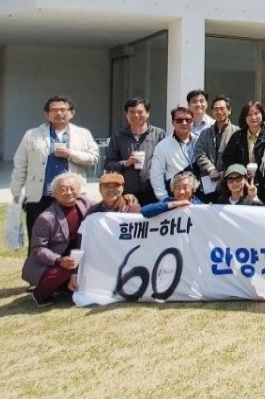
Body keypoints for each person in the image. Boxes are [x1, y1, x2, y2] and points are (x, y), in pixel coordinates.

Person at [11, 95, 99, 234]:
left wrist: (71, 154)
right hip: (40, 195)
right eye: (54, 110)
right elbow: (20, 164)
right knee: (38, 236)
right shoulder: (32, 135)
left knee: (72, 236)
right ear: (47, 114)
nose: (59, 113)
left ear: (72, 112)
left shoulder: (83, 134)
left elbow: (94, 158)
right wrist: (16, 191)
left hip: (71, 195)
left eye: (63, 109)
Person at [22, 172, 91, 306]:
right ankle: (40, 294)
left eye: (72, 188)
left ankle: (62, 286)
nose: (69, 192)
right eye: (63, 189)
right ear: (54, 193)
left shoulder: (84, 203)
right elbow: (38, 249)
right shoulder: (46, 218)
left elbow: (106, 206)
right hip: (50, 263)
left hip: (75, 259)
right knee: (65, 270)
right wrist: (59, 260)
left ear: (79, 190)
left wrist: (129, 199)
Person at [104, 97, 167, 208]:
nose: (136, 115)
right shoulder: (118, 136)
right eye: (132, 112)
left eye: (140, 112)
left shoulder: (159, 134)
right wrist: (126, 163)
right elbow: (108, 165)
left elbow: (167, 161)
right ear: (126, 114)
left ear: (148, 113)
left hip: (154, 192)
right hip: (127, 194)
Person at [221, 100, 265, 204]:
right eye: (249, 114)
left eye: (256, 113)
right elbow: (228, 158)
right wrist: (239, 173)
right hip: (242, 185)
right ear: (244, 117)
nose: (253, 117)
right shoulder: (237, 137)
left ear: (262, 115)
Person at [149, 106, 200, 201]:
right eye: (179, 120)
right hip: (175, 196)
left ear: (192, 122)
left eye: (188, 120)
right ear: (173, 122)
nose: (184, 123)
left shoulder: (200, 141)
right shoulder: (162, 146)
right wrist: (163, 198)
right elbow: (156, 174)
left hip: (198, 195)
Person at [194, 95, 238, 183]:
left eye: (222, 108)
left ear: (229, 110)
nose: (219, 112)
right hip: (208, 179)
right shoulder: (205, 133)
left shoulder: (237, 132)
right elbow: (199, 154)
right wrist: (210, 169)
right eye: (216, 109)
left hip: (230, 180)